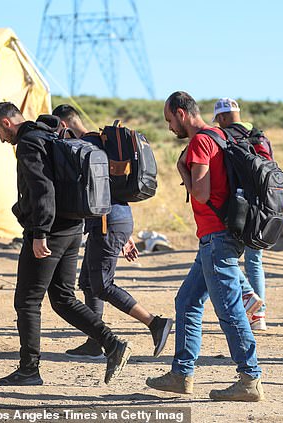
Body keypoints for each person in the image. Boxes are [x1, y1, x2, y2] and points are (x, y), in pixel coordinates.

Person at [0, 102, 131, 386]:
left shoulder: (29, 143)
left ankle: (29, 369)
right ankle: (112, 344)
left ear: (6, 122)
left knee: (27, 301)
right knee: (63, 298)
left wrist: (39, 232)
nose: (2, 140)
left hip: (49, 232)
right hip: (72, 227)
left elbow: (43, 188)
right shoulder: (52, 134)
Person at [146, 91, 264, 401]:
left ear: (182, 114)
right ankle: (181, 374)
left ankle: (250, 379)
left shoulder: (200, 142)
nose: (170, 127)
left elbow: (200, 193)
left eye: (170, 120)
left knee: (229, 309)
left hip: (216, 236)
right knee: (186, 301)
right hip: (222, 234)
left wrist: (182, 169)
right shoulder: (220, 135)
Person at [51, 104, 173, 359]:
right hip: (112, 221)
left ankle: (155, 323)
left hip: (109, 222)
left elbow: (96, 194)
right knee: (88, 282)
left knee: (103, 284)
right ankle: (96, 340)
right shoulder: (99, 143)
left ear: (63, 124)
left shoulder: (86, 148)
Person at [212, 97, 272, 330]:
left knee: (223, 255)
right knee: (254, 260)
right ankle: (260, 317)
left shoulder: (226, 137)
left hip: (238, 206)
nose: (218, 124)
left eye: (218, 119)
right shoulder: (259, 135)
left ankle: (249, 302)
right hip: (264, 206)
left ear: (224, 117)